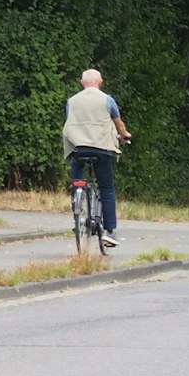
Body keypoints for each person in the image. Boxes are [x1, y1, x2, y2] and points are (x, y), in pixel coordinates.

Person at [63, 69, 132, 247]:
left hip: (78, 148)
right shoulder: (107, 100)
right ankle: (110, 232)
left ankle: (78, 212)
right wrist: (124, 135)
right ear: (100, 82)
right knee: (106, 188)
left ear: (82, 83)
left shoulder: (72, 101)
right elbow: (119, 124)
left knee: (76, 182)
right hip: (101, 149)